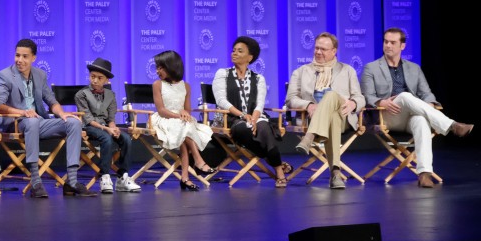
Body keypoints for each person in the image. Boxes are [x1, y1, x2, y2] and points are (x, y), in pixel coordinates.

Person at [361, 27, 473, 187]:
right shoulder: (371, 68)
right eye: (386, 42)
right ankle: (452, 126)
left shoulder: (414, 68)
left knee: (421, 120)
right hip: (386, 115)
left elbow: (427, 94)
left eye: (392, 42)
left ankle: (424, 174)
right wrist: (382, 102)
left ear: (402, 46)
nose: (388, 45)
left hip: (410, 116)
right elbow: (367, 96)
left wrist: (429, 104)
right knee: (406, 96)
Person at [0, 38, 95, 197]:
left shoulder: (40, 75)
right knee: (32, 121)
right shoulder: (5, 76)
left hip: (39, 121)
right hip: (16, 122)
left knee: (74, 123)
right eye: (17, 55)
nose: (20, 60)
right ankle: (36, 182)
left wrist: (61, 113)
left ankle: (72, 181)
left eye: (24, 56)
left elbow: (51, 100)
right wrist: (23, 112)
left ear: (33, 58)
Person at [284, 32, 365, 189]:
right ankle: (335, 173)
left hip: (344, 118)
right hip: (315, 119)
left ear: (334, 51)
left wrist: (354, 103)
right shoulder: (301, 72)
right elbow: (290, 99)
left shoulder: (347, 71)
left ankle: (309, 137)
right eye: (316, 48)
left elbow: (360, 98)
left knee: (332, 96)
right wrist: (308, 105)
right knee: (332, 118)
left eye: (323, 49)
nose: (318, 52)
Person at [211, 37, 290, 188]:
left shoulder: (258, 78)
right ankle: (278, 165)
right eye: (233, 50)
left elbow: (259, 103)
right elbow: (221, 101)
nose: (234, 53)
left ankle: (279, 172)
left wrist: (253, 119)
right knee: (243, 128)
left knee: (265, 127)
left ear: (250, 57)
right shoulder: (223, 74)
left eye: (240, 51)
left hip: (254, 117)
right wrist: (243, 115)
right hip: (231, 119)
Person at [149, 50, 215, 191]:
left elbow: (187, 109)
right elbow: (161, 110)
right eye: (157, 67)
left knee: (184, 136)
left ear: (172, 66)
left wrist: (184, 113)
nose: (157, 71)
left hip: (181, 122)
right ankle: (198, 160)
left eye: (161, 67)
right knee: (184, 127)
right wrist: (180, 116)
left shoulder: (186, 86)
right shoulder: (157, 85)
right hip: (164, 119)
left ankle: (185, 178)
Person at [74, 57, 140, 194]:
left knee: (126, 138)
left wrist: (114, 128)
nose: (95, 80)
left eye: (100, 78)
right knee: (106, 138)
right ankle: (105, 176)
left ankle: (123, 177)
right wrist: (107, 129)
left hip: (106, 126)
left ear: (106, 80)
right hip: (90, 126)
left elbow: (111, 118)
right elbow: (88, 118)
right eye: (92, 76)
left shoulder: (111, 95)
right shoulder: (81, 94)